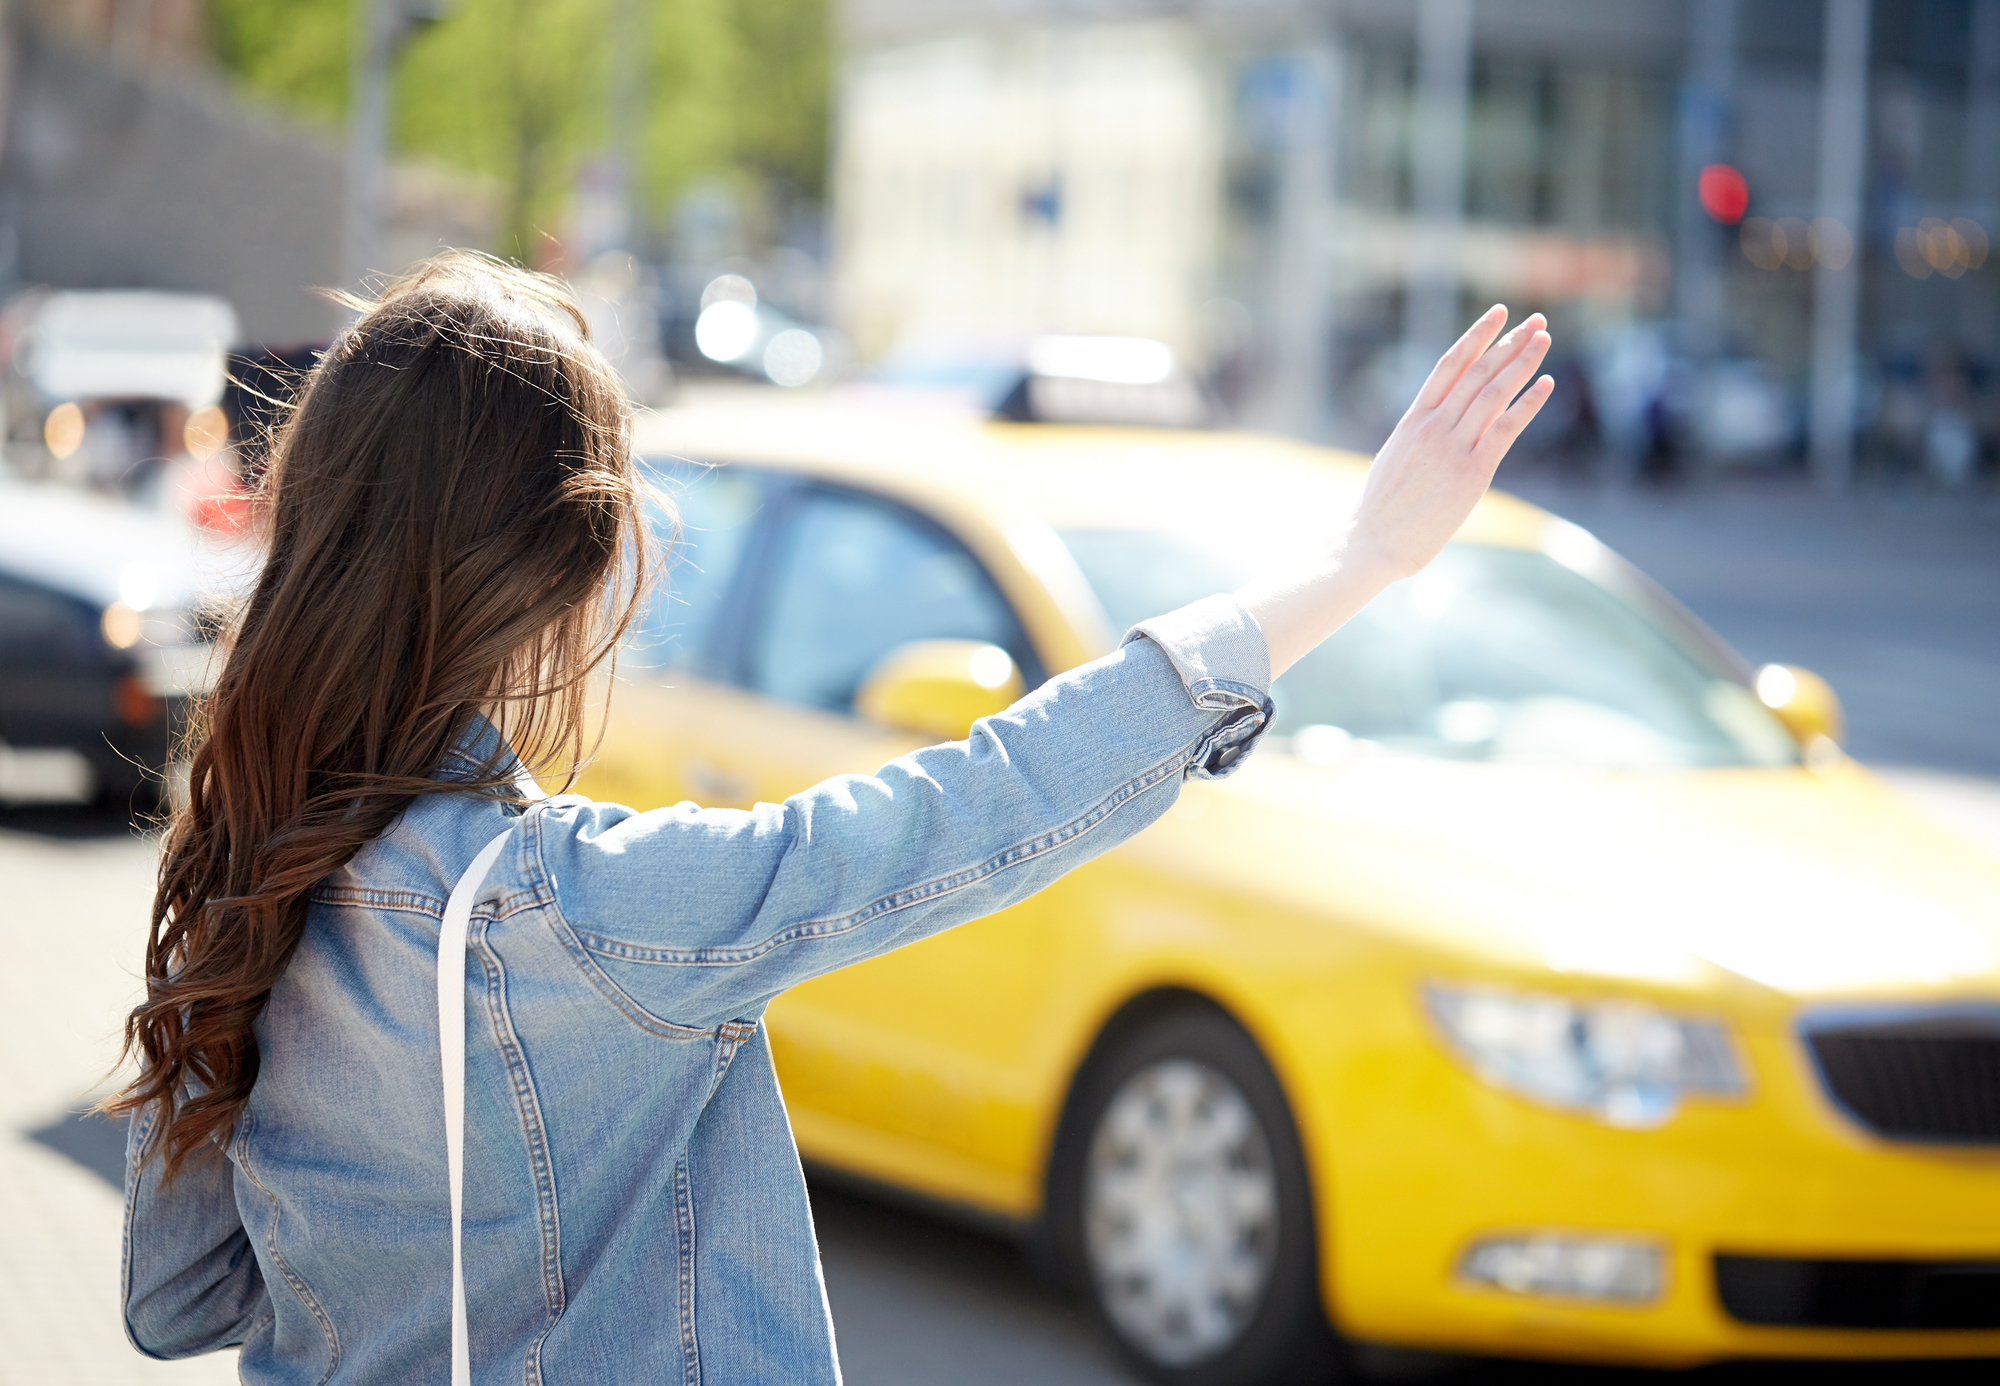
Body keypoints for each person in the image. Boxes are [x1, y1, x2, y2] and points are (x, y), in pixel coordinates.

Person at [110, 252, 1552, 1384]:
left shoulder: (243, 859)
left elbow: (179, 1298)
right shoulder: (579, 910)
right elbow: (984, 803)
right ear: (569, 562)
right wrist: (1359, 559)